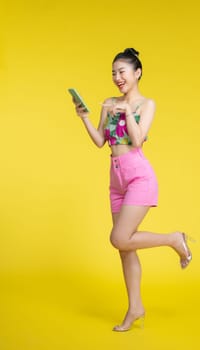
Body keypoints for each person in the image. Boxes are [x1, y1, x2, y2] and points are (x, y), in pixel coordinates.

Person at [71, 48, 193, 332]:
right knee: (125, 249)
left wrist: (128, 112)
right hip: (116, 179)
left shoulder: (146, 105)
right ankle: (135, 307)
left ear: (137, 73)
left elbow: (138, 142)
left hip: (138, 175)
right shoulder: (109, 103)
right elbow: (101, 141)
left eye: (122, 72)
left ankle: (174, 239)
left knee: (119, 238)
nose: (117, 77)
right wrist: (84, 117)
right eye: (113, 72)